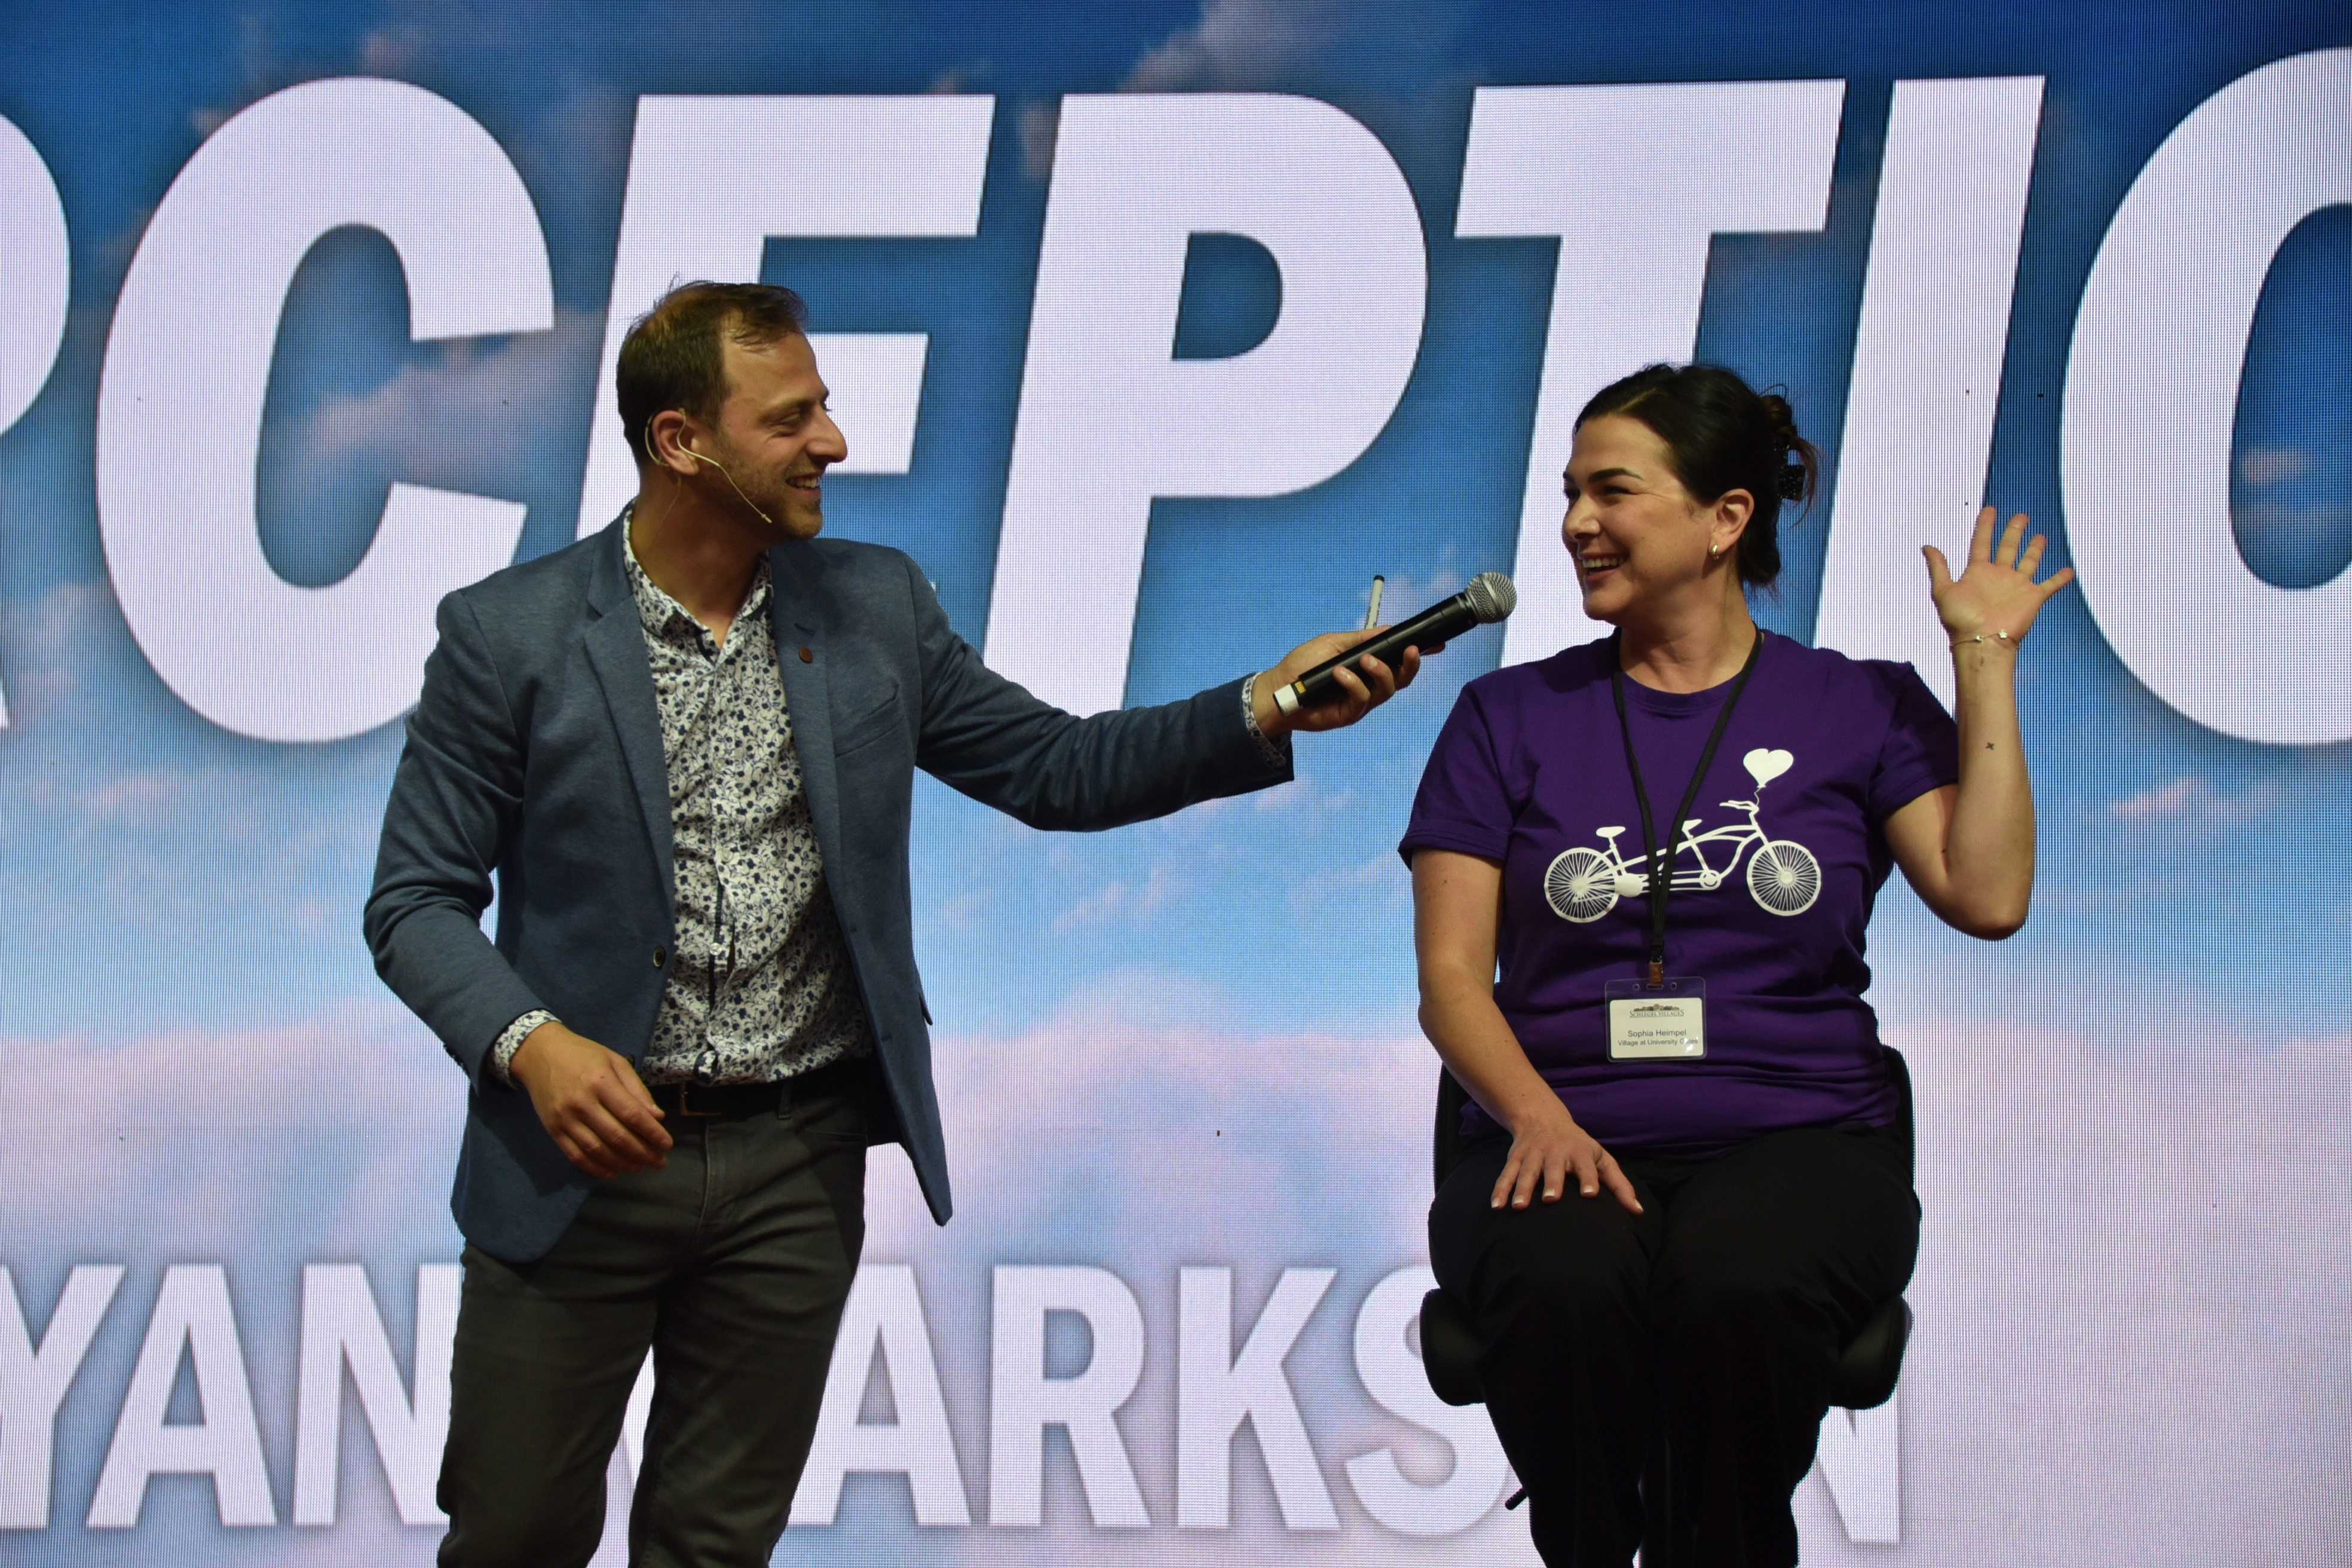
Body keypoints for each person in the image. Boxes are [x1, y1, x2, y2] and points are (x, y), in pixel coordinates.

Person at [363, 280, 1416, 1568]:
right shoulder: (506, 634)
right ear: (680, 441)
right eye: (790, 416)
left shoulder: (876, 604)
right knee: (514, 1535)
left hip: (795, 1171)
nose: (834, 443)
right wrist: (532, 1041)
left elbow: (1054, 768)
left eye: (825, 407)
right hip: (575, 1162)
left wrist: (1261, 706)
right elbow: (415, 900)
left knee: (713, 1545)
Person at [1402, 362, 2072, 1567]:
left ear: (1726, 518)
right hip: (1555, 1126)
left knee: (1739, 1281)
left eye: (1612, 491)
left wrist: (1984, 659)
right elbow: (1452, 979)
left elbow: (1988, 893)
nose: (1575, 524)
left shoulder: (1862, 706)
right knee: (1566, 1281)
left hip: (1800, 1138)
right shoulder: (1505, 719)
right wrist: (1542, 1122)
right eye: (1568, 495)